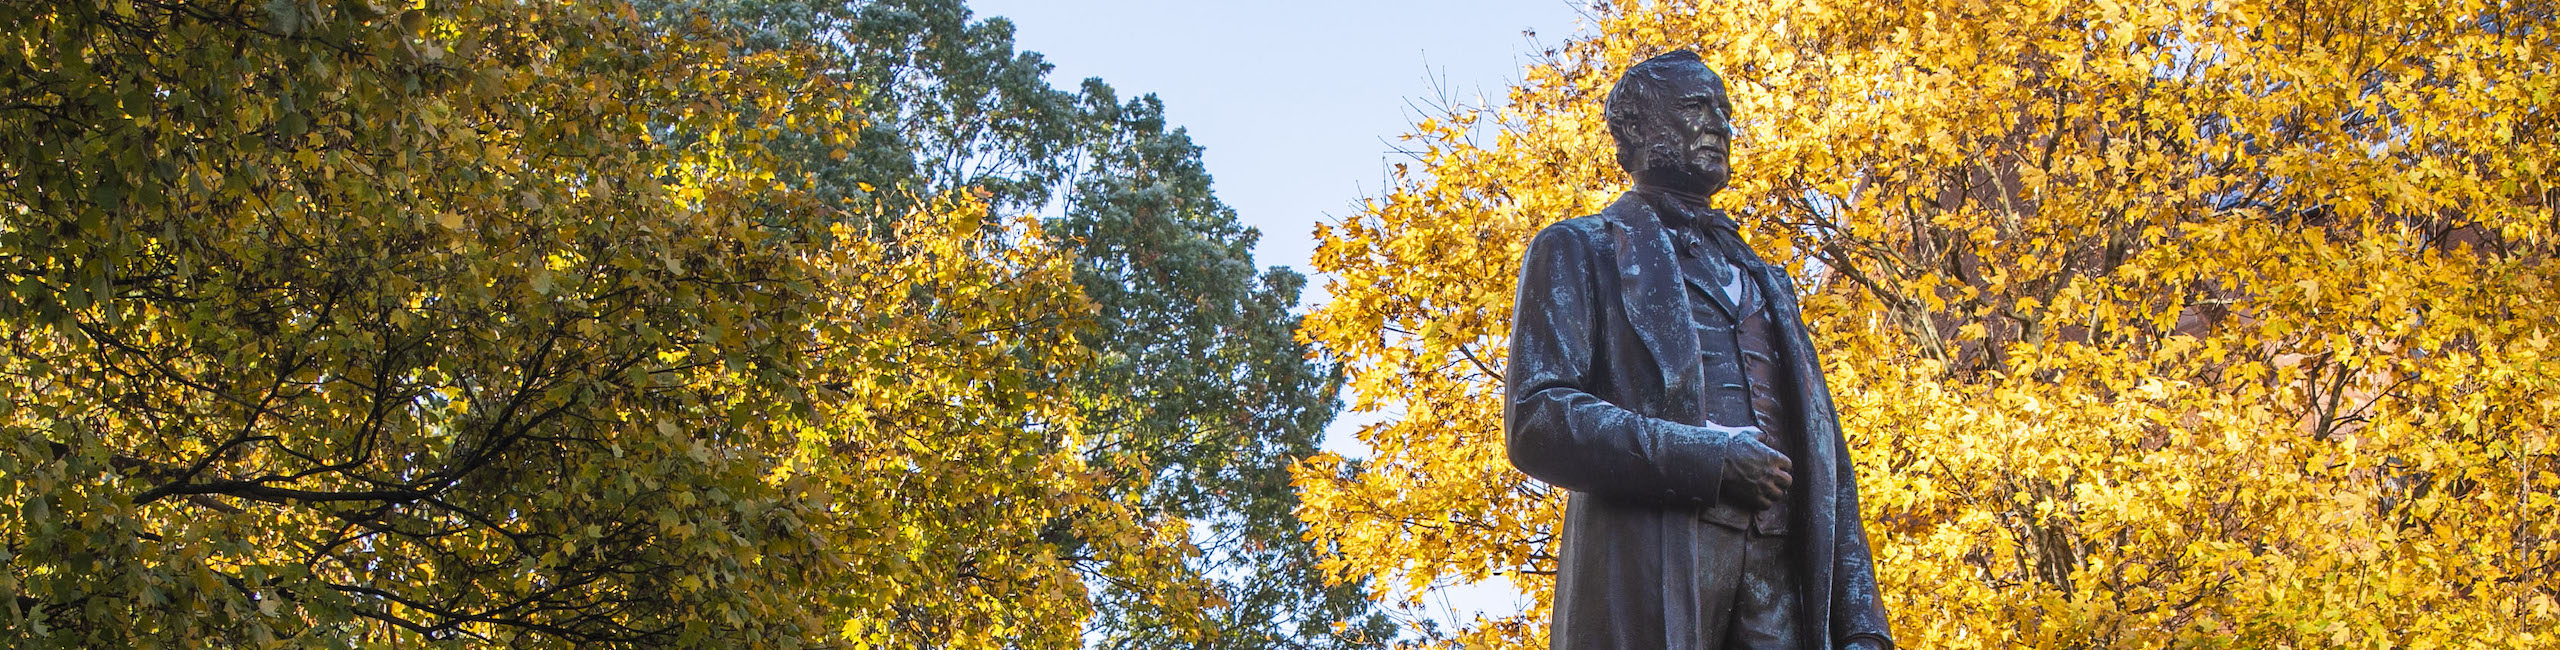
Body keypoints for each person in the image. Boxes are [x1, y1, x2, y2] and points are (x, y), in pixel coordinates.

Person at [1503, 49, 1895, 650]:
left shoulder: (1767, 279)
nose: (1720, 124)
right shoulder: (1579, 249)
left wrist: (1863, 625)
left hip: (1784, 578)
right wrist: (1706, 459)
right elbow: (1538, 418)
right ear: (1634, 128)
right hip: (1656, 563)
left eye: (1725, 110)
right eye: (1695, 107)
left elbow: (1828, 459)